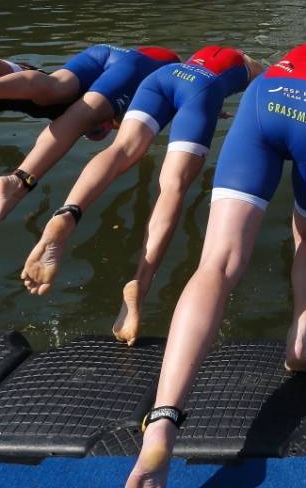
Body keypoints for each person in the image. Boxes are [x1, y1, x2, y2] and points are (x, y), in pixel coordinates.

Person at [124, 32, 306, 488]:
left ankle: (163, 418)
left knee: (217, 264)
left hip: (265, 101)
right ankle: (300, 340)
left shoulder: (290, 57)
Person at [19, 47, 262, 347]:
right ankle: (140, 284)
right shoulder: (249, 64)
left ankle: (68, 212)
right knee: (172, 186)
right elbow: (258, 97)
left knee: (119, 151)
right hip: (204, 88)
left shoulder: (190, 58)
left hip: (162, 79)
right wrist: (212, 105)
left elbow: (179, 91)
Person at [0, 44, 180, 241]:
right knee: (76, 119)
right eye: (96, 130)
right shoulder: (130, 103)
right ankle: (18, 180)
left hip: (103, 51)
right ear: (109, 123)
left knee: (53, 85)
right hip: (143, 65)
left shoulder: (117, 96)